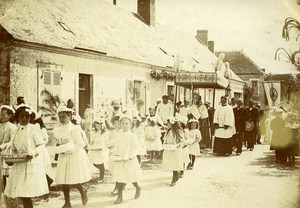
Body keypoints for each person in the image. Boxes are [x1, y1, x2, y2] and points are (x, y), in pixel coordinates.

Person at [4, 104, 49, 208]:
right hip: (19, 165)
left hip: (30, 164)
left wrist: (33, 153)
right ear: (17, 117)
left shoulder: (34, 129)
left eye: (27, 116)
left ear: (30, 117)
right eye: (21, 116)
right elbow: (14, 148)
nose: (24, 118)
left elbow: (41, 144)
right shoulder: (15, 131)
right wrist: (12, 159)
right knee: (22, 193)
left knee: (26, 194)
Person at [53, 106, 91, 208]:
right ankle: (67, 202)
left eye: (64, 117)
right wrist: (59, 146)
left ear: (69, 116)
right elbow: (59, 142)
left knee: (73, 178)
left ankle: (83, 191)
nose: (62, 119)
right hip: (63, 156)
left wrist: (71, 149)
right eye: (60, 117)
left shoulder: (74, 128)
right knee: (64, 180)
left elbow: (81, 143)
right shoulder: (58, 129)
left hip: (73, 155)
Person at [111, 115, 143, 204]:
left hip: (129, 159)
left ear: (130, 125)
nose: (124, 125)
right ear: (120, 125)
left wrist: (131, 155)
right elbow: (116, 146)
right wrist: (114, 151)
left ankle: (137, 187)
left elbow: (136, 148)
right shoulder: (119, 135)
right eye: (123, 123)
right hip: (121, 158)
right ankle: (120, 196)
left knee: (131, 176)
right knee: (120, 178)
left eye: (126, 124)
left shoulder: (132, 136)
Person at [30, 114, 53, 188]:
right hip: (35, 149)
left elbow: (46, 140)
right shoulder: (31, 129)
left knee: (40, 167)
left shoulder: (42, 129)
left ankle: (48, 180)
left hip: (41, 150)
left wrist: (39, 143)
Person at [162, 117, 185, 186]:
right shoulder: (168, 131)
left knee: (175, 164)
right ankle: (176, 175)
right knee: (172, 164)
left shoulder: (178, 131)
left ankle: (174, 178)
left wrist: (178, 145)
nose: (167, 124)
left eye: (168, 123)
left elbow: (182, 140)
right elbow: (166, 139)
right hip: (169, 149)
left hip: (176, 150)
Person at [0, 105, 17, 189]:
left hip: (7, 150)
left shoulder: (12, 127)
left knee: (7, 172)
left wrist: (2, 146)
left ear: (10, 116)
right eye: (0, 114)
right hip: (0, 151)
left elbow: (12, 141)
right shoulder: (0, 126)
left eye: (3, 115)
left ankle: (10, 189)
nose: (1, 117)